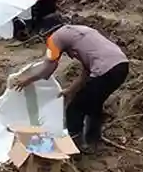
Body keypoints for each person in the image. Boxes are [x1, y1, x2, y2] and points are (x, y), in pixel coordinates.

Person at [10, 16, 130, 152]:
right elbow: (86, 72)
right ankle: (93, 140)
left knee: (75, 108)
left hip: (105, 70)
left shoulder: (54, 39)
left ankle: (74, 145)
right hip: (121, 67)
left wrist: (28, 80)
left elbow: (48, 68)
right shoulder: (79, 32)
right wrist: (70, 90)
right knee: (94, 104)